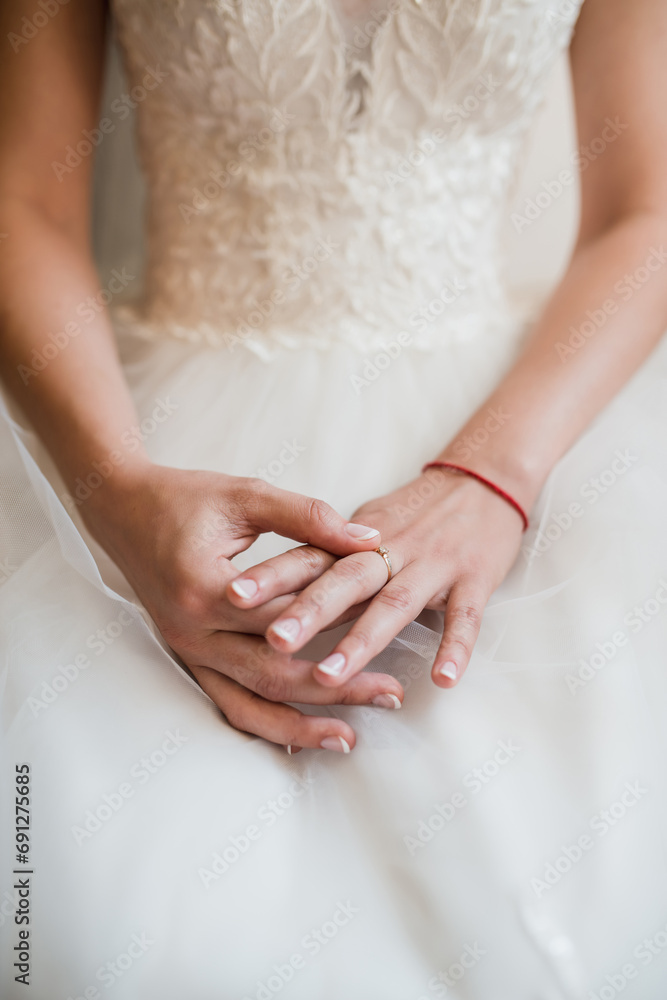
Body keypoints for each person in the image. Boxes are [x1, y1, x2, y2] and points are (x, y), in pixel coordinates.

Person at [1, 0, 667, 996]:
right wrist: (116, 495)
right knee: (113, 902)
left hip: (520, 426)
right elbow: (23, 200)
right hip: (154, 440)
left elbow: (644, 212)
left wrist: (493, 476)